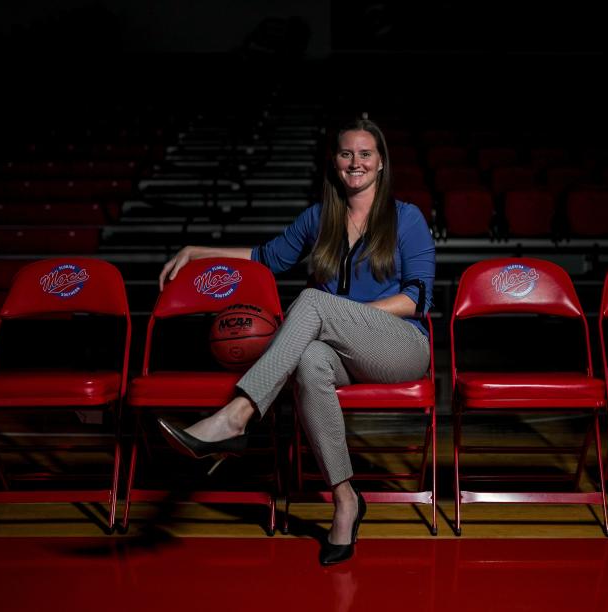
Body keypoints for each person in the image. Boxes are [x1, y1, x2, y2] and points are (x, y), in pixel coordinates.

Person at [157, 117, 435, 565]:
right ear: (335, 161)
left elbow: (418, 297)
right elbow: (267, 257)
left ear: (381, 163)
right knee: (307, 359)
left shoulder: (407, 217)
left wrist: (340, 314)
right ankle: (345, 500)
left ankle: (236, 416)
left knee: (312, 301)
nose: (355, 162)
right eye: (346, 153)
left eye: (365, 154)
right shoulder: (319, 217)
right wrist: (198, 250)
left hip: (400, 347)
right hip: (342, 350)